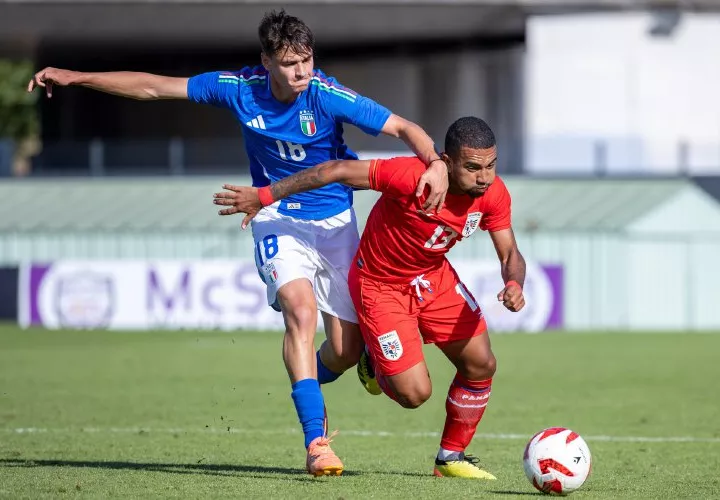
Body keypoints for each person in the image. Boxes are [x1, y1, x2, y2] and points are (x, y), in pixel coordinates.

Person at [27, 10, 450, 476]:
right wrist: (76, 77)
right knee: (300, 312)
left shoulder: (327, 96)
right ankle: (316, 441)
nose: (303, 72)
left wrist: (434, 161)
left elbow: (404, 128)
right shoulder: (238, 89)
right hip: (274, 216)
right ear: (266, 61)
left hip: (335, 224)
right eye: (291, 63)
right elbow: (153, 86)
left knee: (345, 350)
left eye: (307, 60)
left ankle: (307, 377)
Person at [213, 116, 527, 478]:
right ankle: (369, 360)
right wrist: (266, 195)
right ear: (447, 160)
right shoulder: (411, 176)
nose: (484, 177)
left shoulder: (494, 193)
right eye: (473, 168)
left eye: (490, 166)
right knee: (414, 394)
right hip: (380, 286)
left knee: (482, 364)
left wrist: (514, 282)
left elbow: (509, 254)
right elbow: (336, 170)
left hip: (433, 279)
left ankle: (450, 458)